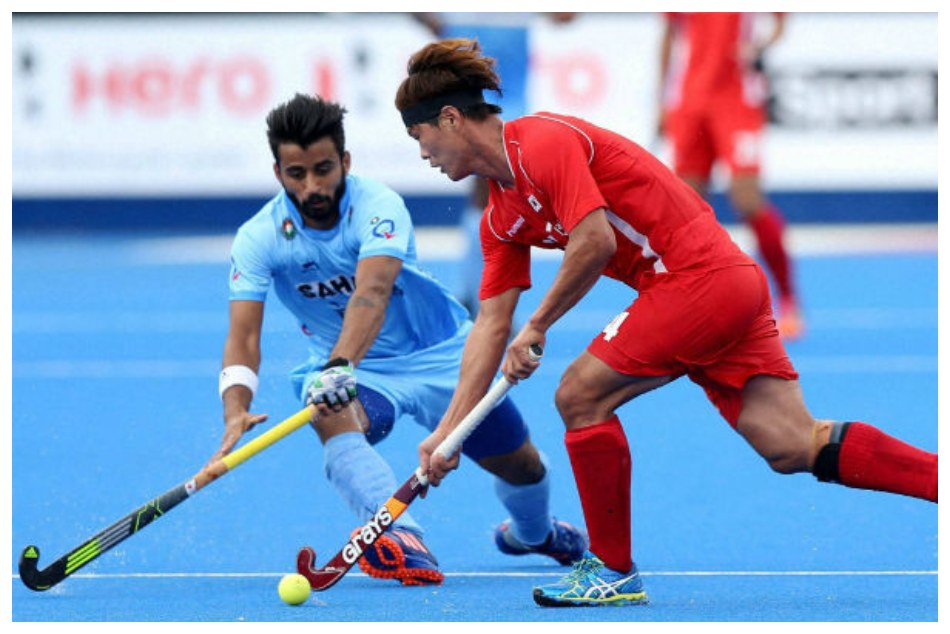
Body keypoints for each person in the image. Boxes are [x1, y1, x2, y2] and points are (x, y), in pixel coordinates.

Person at [394, 39, 938, 607]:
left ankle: (613, 571)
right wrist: (448, 433)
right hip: (712, 287)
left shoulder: (541, 141)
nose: (423, 155)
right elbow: (489, 325)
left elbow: (595, 242)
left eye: (419, 136)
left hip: (698, 278)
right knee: (790, 445)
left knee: (579, 395)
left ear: (450, 118)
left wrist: (540, 324)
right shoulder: (499, 218)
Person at [207, 93, 586, 587]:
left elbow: (373, 291)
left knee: (522, 466)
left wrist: (339, 364)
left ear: (345, 161)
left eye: (323, 169)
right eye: (297, 174)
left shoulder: (379, 206)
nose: (312, 185)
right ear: (278, 173)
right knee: (329, 411)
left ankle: (534, 534)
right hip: (359, 373)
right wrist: (236, 406)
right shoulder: (258, 237)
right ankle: (398, 534)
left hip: (442, 355)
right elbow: (243, 333)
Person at [410, 12, 576, 316]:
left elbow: (565, 15)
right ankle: (481, 297)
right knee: (488, 196)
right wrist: (443, 24)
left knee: (493, 197)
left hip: (504, 97)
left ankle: (477, 294)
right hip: (479, 98)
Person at [658, 12, 803, 339]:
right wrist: (663, 100)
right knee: (686, 209)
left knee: (747, 199)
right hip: (690, 100)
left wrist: (760, 46)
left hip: (736, 99)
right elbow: (668, 33)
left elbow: (781, 19)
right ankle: (694, 303)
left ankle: (787, 297)